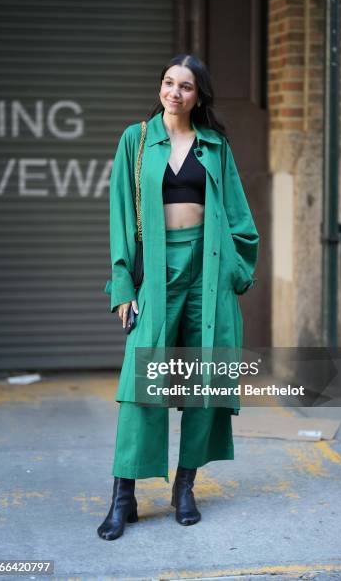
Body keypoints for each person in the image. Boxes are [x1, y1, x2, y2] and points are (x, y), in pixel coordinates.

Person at [98, 53, 259, 540]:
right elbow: (121, 216)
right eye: (168, 83)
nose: (174, 92)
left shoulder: (214, 146)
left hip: (206, 271)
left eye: (186, 86)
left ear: (199, 95)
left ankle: (185, 486)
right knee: (140, 380)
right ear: (160, 88)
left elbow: (238, 216)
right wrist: (124, 284)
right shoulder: (137, 139)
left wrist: (235, 271)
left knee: (202, 377)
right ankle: (122, 495)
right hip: (158, 272)